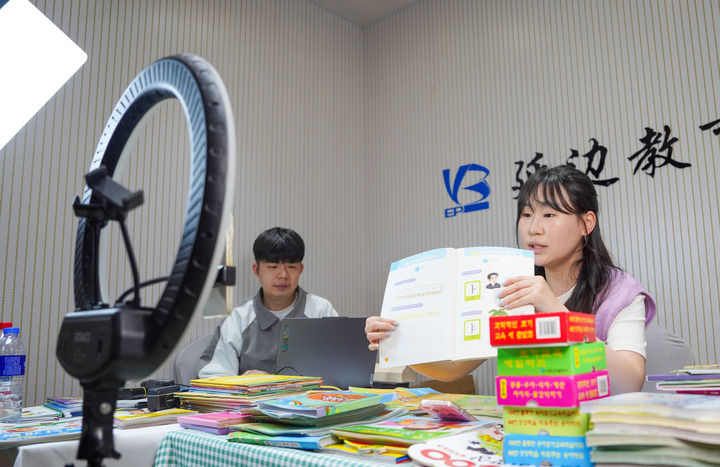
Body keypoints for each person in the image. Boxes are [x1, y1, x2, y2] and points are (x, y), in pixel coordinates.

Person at [366, 165, 656, 394]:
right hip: (526, 429)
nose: (533, 228)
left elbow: (630, 381)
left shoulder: (620, 292)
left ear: (586, 223)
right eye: (527, 214)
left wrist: (553, 309)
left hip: (596, 431)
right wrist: (397, 341)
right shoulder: (511, 286)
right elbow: (453, 370)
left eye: (549, 214)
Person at [199, 227, 337, 377]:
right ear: (256, 270)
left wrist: (274, 382)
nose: (283, 275)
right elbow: (213, 376)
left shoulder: (321, 311)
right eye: (273, 267)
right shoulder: (239, 319)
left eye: (291, 267)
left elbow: (338, 370)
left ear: (300, 269)